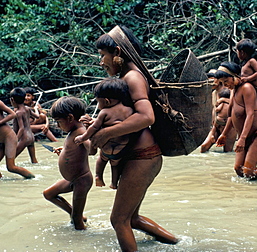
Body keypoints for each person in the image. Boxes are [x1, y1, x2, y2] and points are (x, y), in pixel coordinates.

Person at [81, 25, 178, 251]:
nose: (101, 61)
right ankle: (178, 244)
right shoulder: (125, 76)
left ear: (116, 52)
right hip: (140, 156)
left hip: (143, 157)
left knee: (118, 220)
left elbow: (146, 117)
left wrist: (106, 133)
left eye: (102, 55)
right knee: (131, 219)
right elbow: (124, 117)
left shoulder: (133, 77)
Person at [43, 96, 93, 230]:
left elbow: (92, 150)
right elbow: (73, 149)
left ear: (70, 118)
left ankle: (80, 239)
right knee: (48, 194)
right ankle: (77, 215)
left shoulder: (81, 132)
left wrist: (87, 137)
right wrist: (64, 151)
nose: (58, 126)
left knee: (76, 221)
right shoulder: (72, 132)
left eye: (59, 122)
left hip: (81, 180)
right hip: (71, 179)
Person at [74, 78, 134, 189]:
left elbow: (94, 127)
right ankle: (114, 183)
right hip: (121, 148)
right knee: (115, 164)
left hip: (106, 147)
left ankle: (98, 176)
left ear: (106, 101)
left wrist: (83, 137)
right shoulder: (130, 110)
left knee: (101, 160)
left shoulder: (104, 112)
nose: (98, 105)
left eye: (98, 101)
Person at [201, 70, 236, 153]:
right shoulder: (214, 93)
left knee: (227, 151)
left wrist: (223, 99)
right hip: (216, 126)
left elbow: (234, 104)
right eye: (209, 81)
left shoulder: (229, 89)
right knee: (204, 147)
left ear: (218, 80)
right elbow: (215, 110)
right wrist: (213, 129)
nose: (211, 83)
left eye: (212, 80)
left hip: (230, 127)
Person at [10, 87, 39, 163]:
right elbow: (37, 116)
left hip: (25, 138)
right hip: (31, 136)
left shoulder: (18, 112)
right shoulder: (27, 108)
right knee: (34, 161)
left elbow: (21, 128)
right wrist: (36, 109)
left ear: (12, 100)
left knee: (10, 160)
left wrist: (15, 140)